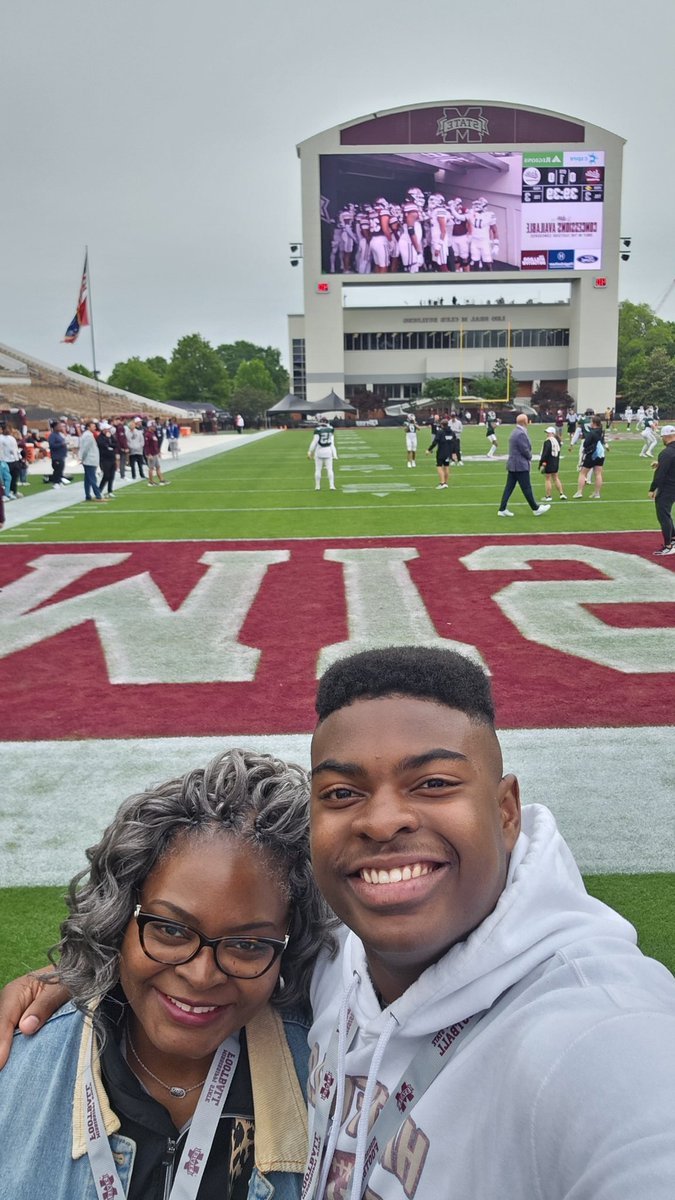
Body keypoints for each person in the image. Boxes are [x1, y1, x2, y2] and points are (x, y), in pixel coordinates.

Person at [4, 649, 675, 1198]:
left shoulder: (598, 1033)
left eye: (434, 782)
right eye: (342, 793)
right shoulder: (338, 960)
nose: (382, 821)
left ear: (506, 810)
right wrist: (85, 974)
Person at [0, 748, 337, 1199]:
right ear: (119, 919)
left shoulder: (332, 1079)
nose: (201, 976)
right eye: (171, 930)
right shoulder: (17, 1071)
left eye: (247, 944)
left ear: (288, 946)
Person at [497, 414, 550, 516]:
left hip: (514, 465)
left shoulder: (515, 431)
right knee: (526, 488)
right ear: (524, 422)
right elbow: (525, 449)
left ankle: (502, 509)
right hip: (519, 465)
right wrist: (530, 457)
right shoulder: (520, 433)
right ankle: (536, 508)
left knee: (509, 487)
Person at [648, 422, 675, 555]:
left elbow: (660, 474)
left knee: (663, 515)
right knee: (667, 514)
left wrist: (653, 489)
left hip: (668, 487)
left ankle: (668, 546)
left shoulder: (666, 452)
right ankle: (673, 539)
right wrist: (660, 463)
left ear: (666, 437)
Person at [573, 415, 605, 499]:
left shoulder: (592, 433)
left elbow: (585, 443)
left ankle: (579, 492)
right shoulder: (601, 431)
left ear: (594, 423)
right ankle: (597, 493)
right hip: (600, 454)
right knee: (598, 473)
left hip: (592, 454)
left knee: (583, 473)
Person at [79, 420, 106, 502]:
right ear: (88, 427)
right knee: (92, 478)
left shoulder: (88, 435)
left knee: (87, 479)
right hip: (89, 459)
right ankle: (98, 495)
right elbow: (85, 448)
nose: (94, 427)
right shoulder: (88, 436)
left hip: (89, 459)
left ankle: (88, 495)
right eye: (93, 426)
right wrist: (82, 458)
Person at [538, 425, 567, 501]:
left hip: (548, 462)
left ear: (552, 433)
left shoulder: (548, 441)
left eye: (548, 432)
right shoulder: (557, 442)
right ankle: (561, 494)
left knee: (548, 479)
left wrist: (542, 463)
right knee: (556, 478)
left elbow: (545, 453)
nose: (547, 434)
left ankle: (548, 496)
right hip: (555, 462)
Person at [425, 417, 456, 489]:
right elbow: (454, 443)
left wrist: (429, 450)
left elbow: (435, 442)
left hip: (441, 452)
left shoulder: (440, 432)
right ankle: (445, 482)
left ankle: (442, 483)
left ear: (442, 425)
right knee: (447, 467)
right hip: (448, 452)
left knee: (439, 466)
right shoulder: (452, 432)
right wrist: (454, 453)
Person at [308, 419, 337, 491]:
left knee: (318, 469)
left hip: (319, 451)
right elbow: (332, 443)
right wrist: (335, 454)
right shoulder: (331, 429)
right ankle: (332, 485)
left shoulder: (318, 430)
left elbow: (314, 442)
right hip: (328, 451)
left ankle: (317, 486)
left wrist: (310, 451)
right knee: (330, 469)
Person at [45, 419, 70, 488]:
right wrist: (61, 444)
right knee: (57, 469)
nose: (60, 427)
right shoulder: (52, 435)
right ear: (54, 427)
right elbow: (52, 445)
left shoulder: (59, 434)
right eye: (58, 426)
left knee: (61, 469)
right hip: (56, 456)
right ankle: (55, 482)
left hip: (61, 455)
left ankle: (59, 481)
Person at [97, 420, 118, 497]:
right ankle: (99, 490)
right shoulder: (100, 437)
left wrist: (110, 444)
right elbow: (103, 445)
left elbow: (115, 444)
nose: (108, 430)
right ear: (103, 429)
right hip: (104, 459)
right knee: (106, 475)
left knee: (112, 476)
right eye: (107, 429)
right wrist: (109, 444)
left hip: (112, 458)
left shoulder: (111, 436)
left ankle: (110, 491)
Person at [145, 420, 169, 486]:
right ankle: (150, 482)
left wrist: (158, 452)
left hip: (155, 453)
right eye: (153, 426)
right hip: (151, 454)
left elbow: (155, 444)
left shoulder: (153, 434)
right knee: (151, 468)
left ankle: (161, 480)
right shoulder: (147, 434)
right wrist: (149, 454)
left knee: (158, 467)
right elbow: (146, 445)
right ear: (149, 427)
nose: (155, 427)